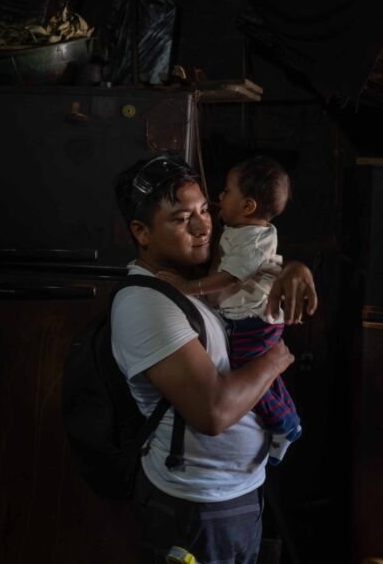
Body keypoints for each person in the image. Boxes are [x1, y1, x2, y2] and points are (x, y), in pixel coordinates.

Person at [111, 153, 317, 564]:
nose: (204, 226)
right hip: (194, 507)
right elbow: (214, 412)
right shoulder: (146, 303)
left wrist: (293, 268)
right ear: (141, 232)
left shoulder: (192, 283)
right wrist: (276, 359)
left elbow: (251, 266)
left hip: (236, 493)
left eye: (205, 210)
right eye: (182, 218)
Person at [156, 156, 301, 466]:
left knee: (247, 374)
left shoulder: (253, 240)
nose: (219, 197)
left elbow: (231, 276)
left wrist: (187, 287)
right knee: (260, 371)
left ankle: (283, 424)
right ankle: (289, 417)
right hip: (251, 320)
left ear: (248, 206)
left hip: (253, 322)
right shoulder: (241, 228)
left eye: (226, 191)